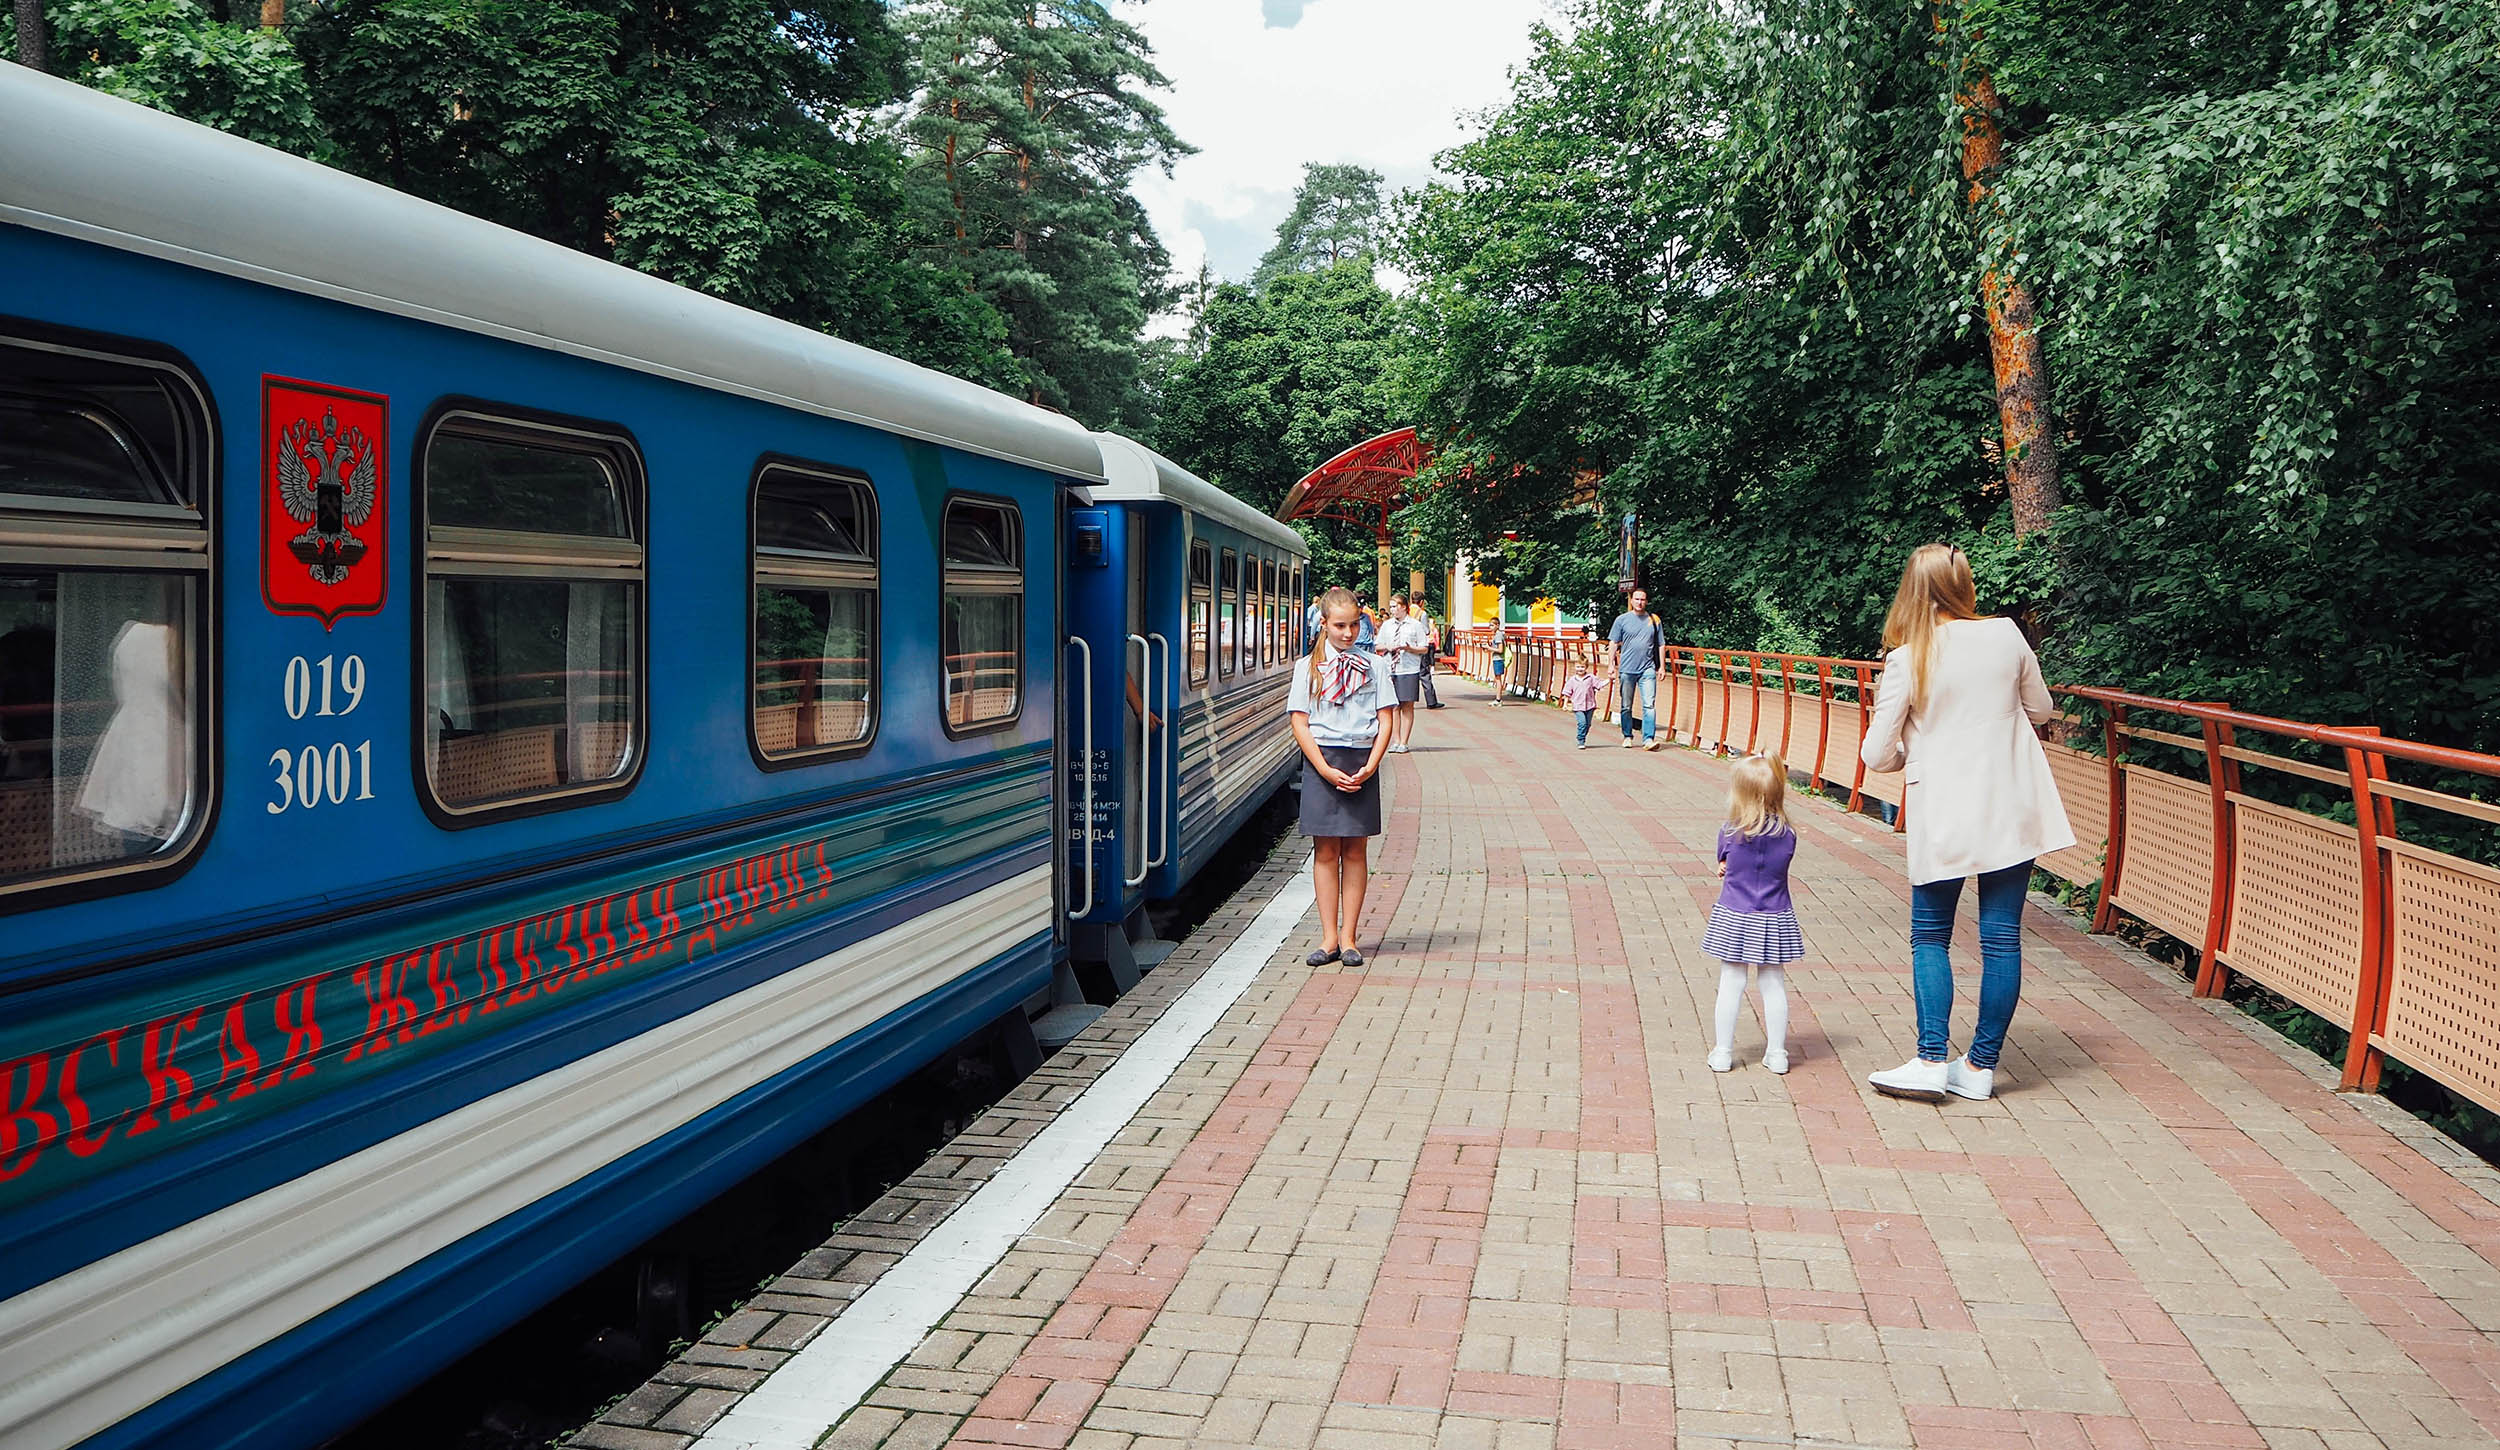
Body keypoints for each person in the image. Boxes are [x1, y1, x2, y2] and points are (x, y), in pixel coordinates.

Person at [1860, 544, 2072, 1103]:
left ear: (1914, 589)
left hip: (1946, 811)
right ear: (1963, 584)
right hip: (2011, 803)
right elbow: (2043, 710)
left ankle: (1931, 1059)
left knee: (1931, 935)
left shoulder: (1910, 658)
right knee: (2001, 938)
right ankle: (1979, 1069)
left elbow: (1876, 755)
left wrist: (1916, 739)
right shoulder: (2005, 633)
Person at [1290, 586, 1394, 967]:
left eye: (1353, 625)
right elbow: (1299, 721)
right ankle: (1328, 937)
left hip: (1361, 759)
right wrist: (1322, 768)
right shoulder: (1307, 667)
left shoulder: (1376, 666)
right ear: (1324, 624)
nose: (1348, 634)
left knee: (1355, 849)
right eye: (1339, 626)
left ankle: (1350, 937)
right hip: (1324, 758)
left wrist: (1372, 764)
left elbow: (1386, 718)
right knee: (1325, 850)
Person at [1704, 754, 1802, 1073]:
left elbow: (1726, 862)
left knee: (1731, 982)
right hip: (1774, 915)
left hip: (1735, 913)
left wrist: (1724, 866)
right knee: (1773, 984)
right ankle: (1777, 1053)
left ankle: (1722, 1051)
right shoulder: (1787, 835)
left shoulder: (1730, 831)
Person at [1608, 588, 1663, 750]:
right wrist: (1611, 664)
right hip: (1627, 669)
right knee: (1626, 705)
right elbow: (1613, 643)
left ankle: (1648, 739)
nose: (1640, 602)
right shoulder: (1622, 620)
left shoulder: (1654, 620)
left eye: (1643, 599)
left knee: (1649, 705)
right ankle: (1627, 735)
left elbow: (1661, 644)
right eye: (1637, 599)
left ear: (1646, 601)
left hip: (1648, 668)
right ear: (1631, 601)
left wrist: (1661, 666)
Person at [1382, 594, 1430, 753]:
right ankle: (1395, 740)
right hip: (1391, 668)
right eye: (1391, 607)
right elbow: (1378, 644)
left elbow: (1424, 648)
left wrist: (1410, 648)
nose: (1392, 610)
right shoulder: (1387, 625)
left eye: (1394, 606)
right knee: (1394, 706)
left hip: (1409, 668)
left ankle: (1404, 741)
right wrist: (1387, 647)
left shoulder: (1415, 625)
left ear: (1403, 607)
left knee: (1407, 705)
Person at [1561, 652, 1604, 747]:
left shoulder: (1590, 678)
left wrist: (1610, 680)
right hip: (1578, 706)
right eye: (1578, 667)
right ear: (1575, 667)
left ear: (1586, 667)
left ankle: (1583, 735)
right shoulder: (1572, 680)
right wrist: (1565, 704)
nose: (1580, 669)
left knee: (1587, 725)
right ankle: (1581, 740)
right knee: (1582, 723)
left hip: (1590, 705)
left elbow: (1599, 684)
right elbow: (1567, 692)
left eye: (1582, 667)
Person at [1415, 604, 1445, 708]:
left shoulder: (1407, 611)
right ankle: (1431, 701)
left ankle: (1404, 701)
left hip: (1407, 648)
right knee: (1424, 674)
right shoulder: (1421, 613)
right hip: (1419, 647)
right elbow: (1426, 631)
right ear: (1421, 602)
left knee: (1408, 674)